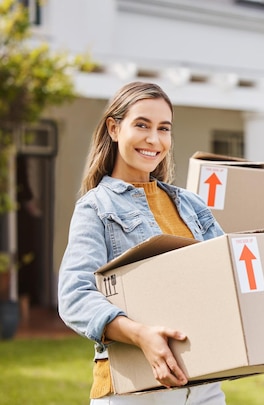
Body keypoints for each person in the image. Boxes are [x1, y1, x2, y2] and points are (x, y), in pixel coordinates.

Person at [58, 82, 227, 405]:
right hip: (133, 389)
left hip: (204, 386)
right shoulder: (96, 207)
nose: (154, 139)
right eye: (142, 125)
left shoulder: (191, 206)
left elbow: (227, 275)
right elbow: (74, 296)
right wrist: (140, 335)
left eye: (164, 128)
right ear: (114, 128)